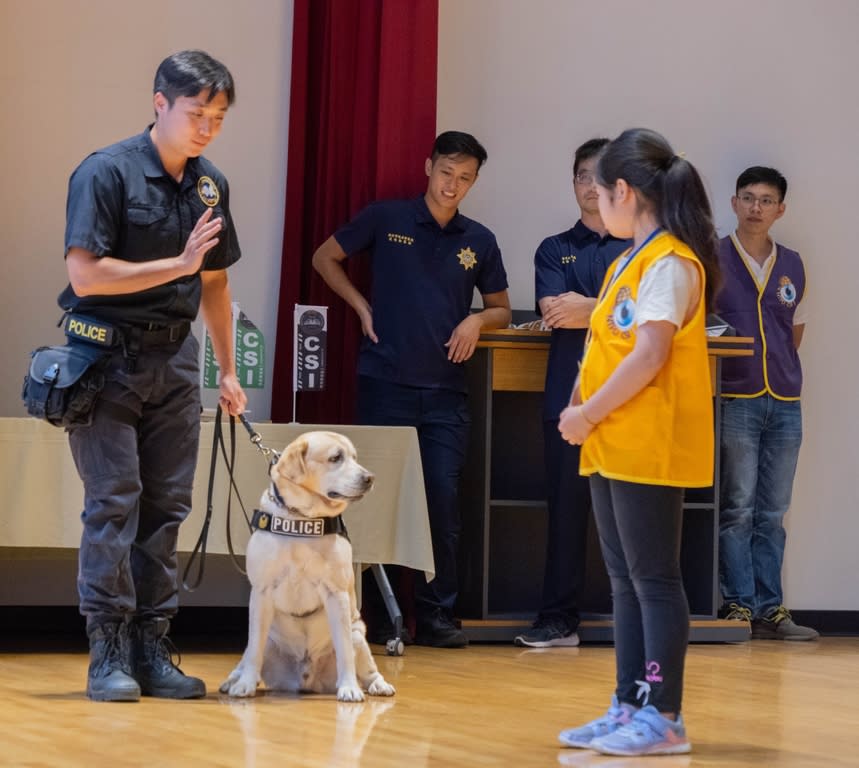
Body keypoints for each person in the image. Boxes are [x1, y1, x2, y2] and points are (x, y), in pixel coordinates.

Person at [59, 50, 247, 701]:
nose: (206, 128)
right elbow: (84, 274)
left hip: (174, 360)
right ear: (160, 103)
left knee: (167, 508)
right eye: (197, 113)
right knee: (114, 503)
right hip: (103, 360)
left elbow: (215, 281)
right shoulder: (105, 172)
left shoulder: (209, 185)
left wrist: (226, 368)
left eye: (218, 117)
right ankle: (106, 649)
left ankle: (152, 645)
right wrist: (178, 263)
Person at [312, 131, 512, 648]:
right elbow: (324, 258)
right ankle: (377, 617)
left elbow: (502, 309)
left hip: (446, 392)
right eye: (447, 172)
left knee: (442, 504)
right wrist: (360, 306)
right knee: (375, 500)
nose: (453, 185)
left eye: (465, 178)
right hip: (385, 383)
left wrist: (476, 323)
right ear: (428, 167)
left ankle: (437, 615)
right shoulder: (387, 218)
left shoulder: (480, 239)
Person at [556, 128, 720, 756]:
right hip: (610, 440)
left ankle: (665, 714)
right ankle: (630, 704)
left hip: (647, 441)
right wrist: (581, 409)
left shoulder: (672, 261)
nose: (598, 204)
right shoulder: (629, 260)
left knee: (653, 580)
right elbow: (607, 348)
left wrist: (589, 411)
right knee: (624, 581)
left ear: (624, 190)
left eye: (599, 194)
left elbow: (649, 354)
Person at [514, 139, 631, 649]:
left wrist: (594, 309)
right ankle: (558, 620)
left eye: (600, 177)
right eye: (583, 175)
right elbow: (555, 311)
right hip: (569, 399)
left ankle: (636, 623)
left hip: (630, 400)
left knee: (632, 517)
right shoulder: (553, 247)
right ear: (574, 183)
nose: (591, 186)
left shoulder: (640, 249)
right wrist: (609, 309)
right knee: (566, 514)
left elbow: (646, 318)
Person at [715, 167, 817, 641]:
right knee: (737, 506)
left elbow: (794, 330)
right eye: (748, 198)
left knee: (773, 510)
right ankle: (737, 604)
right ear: (734, 203)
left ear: (781, 209)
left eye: (767, 200)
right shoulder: (712, 257)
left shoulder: (793, 263)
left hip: (785, 399)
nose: (756, 207)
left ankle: (770, 608)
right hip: (736, 395)